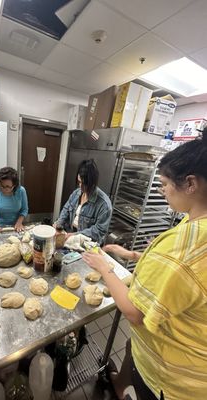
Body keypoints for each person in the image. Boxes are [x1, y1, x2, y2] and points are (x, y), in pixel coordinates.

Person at [83, 131, 207, 400]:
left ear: (190, 183)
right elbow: (178, 275)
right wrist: (130, 255)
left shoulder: (188, 243)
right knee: (130, 346)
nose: (161, 191)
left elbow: (135, 313)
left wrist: (105, 268)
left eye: (163, 184)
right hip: (175, 342)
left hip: (174, 375)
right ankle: (117, 385)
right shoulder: (195, 222)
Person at [55, 159, 112, 244]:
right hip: (71, 235)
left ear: (93, 183)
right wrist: (58, 225)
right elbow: (66, 209)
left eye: (84, 183)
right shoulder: (76, 193)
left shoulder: (104, 204)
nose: (80, 186)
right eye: (79, 182)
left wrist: (75, 235)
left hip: (87, 243)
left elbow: (98, 231)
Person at [0, 167, 28, 236]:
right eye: (2, 186)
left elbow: (24, 210)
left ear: (14, 185)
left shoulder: (21, 191)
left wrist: (19, 222)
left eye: (8, 186)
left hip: (16, 226)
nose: (4, 189)